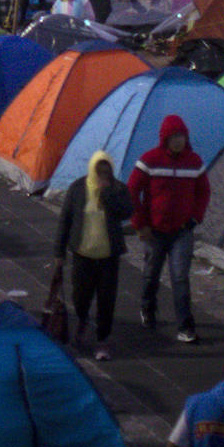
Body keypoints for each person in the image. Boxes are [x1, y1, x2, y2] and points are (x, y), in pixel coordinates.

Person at [129, 114, 209, 344]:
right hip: (153, 232)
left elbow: (204, 192)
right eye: (174, 136)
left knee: (180, 277)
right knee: (151, 274)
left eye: (181, 136)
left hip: (182, 232)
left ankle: (185, 325)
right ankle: (147, 308)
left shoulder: (194, 163)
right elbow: (132, 191)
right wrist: (140, 224)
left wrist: (196, 218)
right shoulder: (149, 160)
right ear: (165, 138)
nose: (178, 141)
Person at [51, 150, 133, 361]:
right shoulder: (78, 188)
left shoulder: (118, 189)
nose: (103, 174)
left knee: (106, 299)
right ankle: (82, 320)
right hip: (83, 254)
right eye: (99, 170)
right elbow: (65, 220)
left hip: (108, 257)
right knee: (80, 296)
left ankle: (102, 339)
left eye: (107, 170)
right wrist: (59, 252)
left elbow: (126, 212)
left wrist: (106, 195)